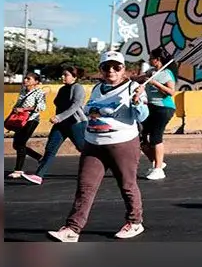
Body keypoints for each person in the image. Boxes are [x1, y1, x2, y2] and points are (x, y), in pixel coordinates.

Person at [48, 51, 149, 242]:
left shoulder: (133, 88)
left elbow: (142, 117)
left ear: (123, 69)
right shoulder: (97, 88)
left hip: (123, 144)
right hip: (93, 143)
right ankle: (72, 229)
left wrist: (137, 102)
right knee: (85, 186)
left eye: (116, 67)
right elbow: (90, 112)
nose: (111, 70)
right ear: (100, 70)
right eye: (106, 67)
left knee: (127, 185)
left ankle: (135, 222)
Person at [23, 66, 87, 185]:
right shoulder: (62, 89)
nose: (63, 77)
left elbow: (76, 106)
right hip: (61, 125)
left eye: (66, 75)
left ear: (75, 77)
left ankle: (104, 164)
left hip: (75, 124)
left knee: (84, 149)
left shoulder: (78, 88)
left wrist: (59, 117)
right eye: (62, 74)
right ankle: (38, 175)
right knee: (50, 149)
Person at [139, 47, 177, 180]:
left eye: (151, 58)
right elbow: (139, 79)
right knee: (140, 136)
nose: (149, 60)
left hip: (163, 108)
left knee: (156, 137)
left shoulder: (167, 73)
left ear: (158, 60)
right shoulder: (150, 72)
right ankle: (157, 161)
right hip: (150, 107)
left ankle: (159, 169)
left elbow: (171, 92)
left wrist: (155, 83)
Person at [7, 72, 47, 179]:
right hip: (20, 120)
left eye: (29, 79)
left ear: (36, 82)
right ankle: (39, 158)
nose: (25, 80)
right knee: (16, 145)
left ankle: (18, 170)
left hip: (31, 120)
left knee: (20, 144)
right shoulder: (23, 91)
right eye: (25, 78)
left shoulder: (39, 92)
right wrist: (13, 113)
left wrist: (24, 109)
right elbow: (18, 103)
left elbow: (42, 107)